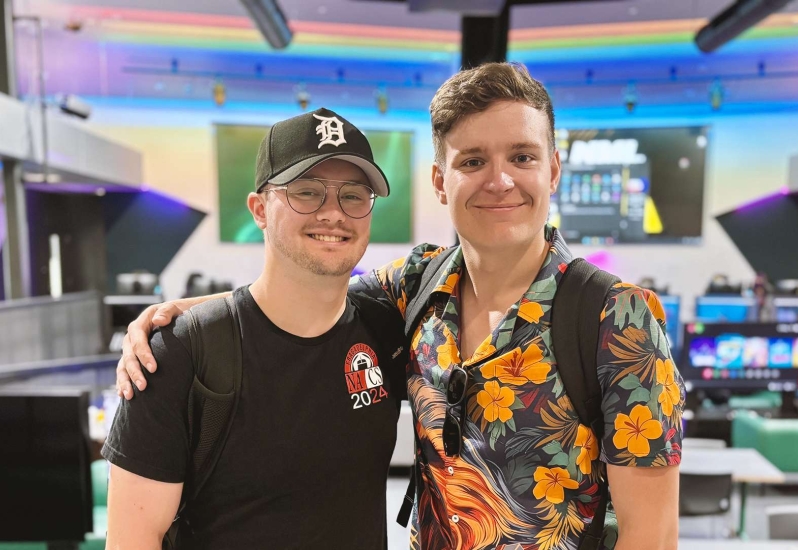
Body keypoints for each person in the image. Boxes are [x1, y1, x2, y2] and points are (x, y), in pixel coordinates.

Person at [117, 63, 684, 550]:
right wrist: (182, 318)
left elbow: (652, 536)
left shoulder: (619, 318)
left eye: (522, 156)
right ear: (440, 180)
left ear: (553, 171)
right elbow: (307, 289)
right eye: (472, 162)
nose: (500, 180)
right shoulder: (418, 286)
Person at [103, 108, 406, 549]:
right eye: (307, 192)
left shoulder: (384, 326)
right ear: (259, 209)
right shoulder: (178, 354)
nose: (333, 214)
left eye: (354, 196)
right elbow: (134, 540)